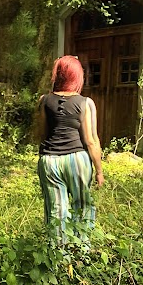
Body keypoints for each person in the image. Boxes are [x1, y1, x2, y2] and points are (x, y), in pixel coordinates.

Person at [37, 55, 103, 249]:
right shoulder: (85, 103)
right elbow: (91, 141)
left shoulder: (44, 100)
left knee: (56, 211)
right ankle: (82, 253)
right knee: (83, 206)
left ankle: (58, 258)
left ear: (57, 75)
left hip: (49, 161)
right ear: (77, 76)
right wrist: (99, 171)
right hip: (77, 160)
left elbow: (40, 133)